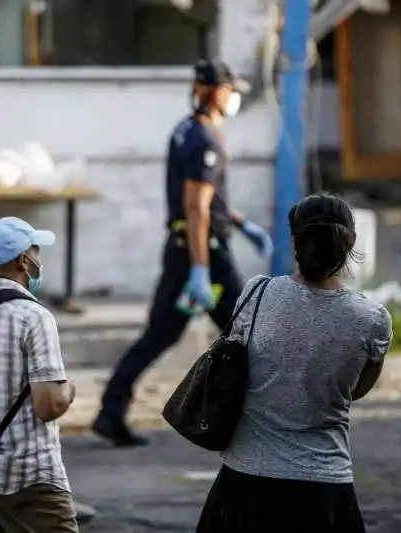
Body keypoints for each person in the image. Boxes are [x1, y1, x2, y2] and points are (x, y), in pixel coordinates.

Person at [93, 60, 274, 447]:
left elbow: (209, 199)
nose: (235, 96)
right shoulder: (204, 140)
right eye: (231, 88)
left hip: (185, 249)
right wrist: (200, 268)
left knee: (161, 333)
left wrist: (240, 223)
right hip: (203, 255)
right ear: (216, 91)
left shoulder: (188, 130)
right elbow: (196, 207)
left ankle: (111, 410)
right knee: (247, 331)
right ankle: (257, 416)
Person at [196, 193, 393, 533]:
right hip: (324, 487)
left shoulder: (257, 294)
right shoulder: (372, 318)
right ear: (351, 241)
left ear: (294, 240)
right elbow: (356, 389)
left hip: (244, 482)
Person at [0, 217, 78, 533]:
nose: (40, 258)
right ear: (24, 261)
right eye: (36, 250)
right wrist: (69, 390)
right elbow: (48, 405)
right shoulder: (33, 316)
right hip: (29, 475)